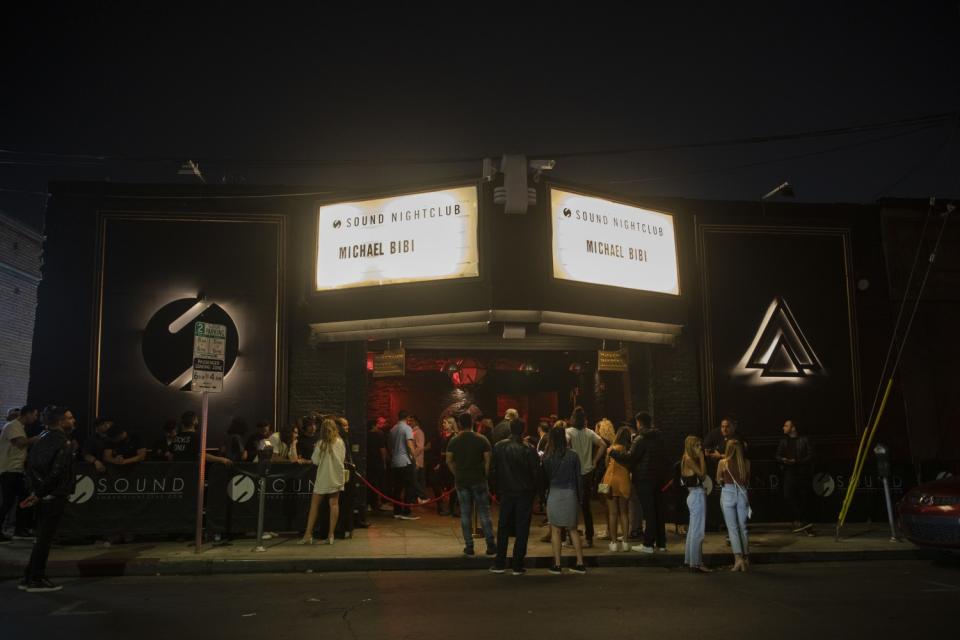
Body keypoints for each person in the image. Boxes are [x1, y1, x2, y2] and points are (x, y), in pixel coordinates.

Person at [19, 406, 77, 592]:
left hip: (42, 495)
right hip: (53, 496)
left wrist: (35, 492)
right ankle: (36, 578)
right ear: (60, 422)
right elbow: (57, 472)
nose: (73, 420)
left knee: (40, 538)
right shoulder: (64, 442)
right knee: (44, 539)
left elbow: (28, 467)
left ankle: (28, 576)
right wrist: (40, 493)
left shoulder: (40, 439)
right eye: (69, 417)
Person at [610, 411, 670, 553]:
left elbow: (630, 457)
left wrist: (612, 452)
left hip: (644, 479)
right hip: (658, 478)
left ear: (639, 423)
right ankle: (661, 543)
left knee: (649, 512)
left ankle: (648, 544)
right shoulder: (659, 437)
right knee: (658, 511)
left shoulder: (640, 439)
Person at [488, 419, 539, 574]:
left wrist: (495, 489)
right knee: (522, 527)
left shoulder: (499, 446)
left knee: (503, 526)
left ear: (510, 428)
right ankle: (517, 564)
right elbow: (535, 473)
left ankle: (500, 562)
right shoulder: (529, 449)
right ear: (523, 430)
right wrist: (537, 493)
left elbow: (493, 470)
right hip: (524, 492)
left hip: (506, 491)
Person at [445, 412, 496, 556]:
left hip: (462, 480)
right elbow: (487, 460)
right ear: (472, 422)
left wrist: (457, 473)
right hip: (478, 479)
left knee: (465, 515)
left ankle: (469, 546)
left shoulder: (454, 441)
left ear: (460, 424)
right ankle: (491, 545)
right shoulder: (482, 439)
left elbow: (448, 460)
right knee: (484, 513)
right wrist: (484, 474)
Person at [544, 425, 586, 574]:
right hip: (570, 493)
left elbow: (545, 479)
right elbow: (578, 479)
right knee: (572, 529)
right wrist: (580, 498)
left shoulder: (547, 456)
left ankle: (557, 564)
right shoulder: (573, 455)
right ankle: (580, 563)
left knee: (555, 530)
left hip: (554, 493)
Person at [299, 418, 346, 546]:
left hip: (323, 477)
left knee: (314, 506)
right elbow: (342, 458)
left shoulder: (320, 443)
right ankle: (331, 535)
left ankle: (308, 534)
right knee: (334, 505)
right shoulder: (340, 442)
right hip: (336, 476)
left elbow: (315, 460)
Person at [565, 406, 604, 548]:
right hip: (587, 472)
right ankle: (589, 538)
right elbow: (603, 445)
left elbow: (565, 441)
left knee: (572, 507)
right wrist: (595, 460)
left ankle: (571, 537)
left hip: (573, 473)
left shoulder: (568, 431)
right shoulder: (590, 433)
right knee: (586, 507)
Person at [0, 405, 40, 542]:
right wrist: (37, 439)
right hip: (9, 470)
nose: (36, 418)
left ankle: (20, 529)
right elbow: (20, 443)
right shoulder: (13, 426)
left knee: (23, 498)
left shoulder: (19, 427)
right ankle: (18, 529)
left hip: (16, 470)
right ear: (27, 414)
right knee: (8, 502)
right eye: (34, 415)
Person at [776, 419, 815, 534]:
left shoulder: (804, 440)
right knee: (788, 495)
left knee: (803, 498)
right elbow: (777, 455)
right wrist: (783, 459)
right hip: (789, 472)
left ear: (793, 428)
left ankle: (802, 522)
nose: (783, 427)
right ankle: (803, 522)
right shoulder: (783, 441)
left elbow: (811, 455)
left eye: (786, 425)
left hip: (802, 473)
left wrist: (797, 461)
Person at [717, 439, 751, 572]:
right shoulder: (747, 463)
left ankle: (738, 559)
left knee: (732, 528)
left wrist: (722, 480)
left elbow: (718, 479)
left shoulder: (723, 463)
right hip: (742, 493)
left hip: (728, 493)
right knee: (743, 527)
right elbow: (747, 481)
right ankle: (746, 558)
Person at [681, 435, 711, 572]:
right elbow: (703, 475)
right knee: (698, 532)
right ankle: (697, 563)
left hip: (693, 495)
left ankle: (690, 560)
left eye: (700, 445)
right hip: (697, 495)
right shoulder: (689, 459)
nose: (700, 447)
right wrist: (702, 457)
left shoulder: (685, 458)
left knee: (693, 530)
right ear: (691, 445)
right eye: (697, 445)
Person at [601, 426, 632, 552]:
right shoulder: (628, 450)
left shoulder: (611, 449)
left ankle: (613, 543)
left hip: (610, 480)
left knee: (612, 513)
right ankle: (625, 542)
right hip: (624, 480)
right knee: (624, 513)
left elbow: (606, 464)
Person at [388, 410, 419, 520]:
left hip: (395, 461)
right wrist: (414, 459)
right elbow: (410, 445)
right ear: (407, 418)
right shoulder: (407, 428)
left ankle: (396, 511)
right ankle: (406, 511)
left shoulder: (393, 429)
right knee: (409, 487)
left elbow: (390, 447)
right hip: (405, 461)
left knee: (397, 488)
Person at [410, 415, 429, 504]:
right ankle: (417, 498)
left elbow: (420, 447)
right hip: (417, 460)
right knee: (418, 480)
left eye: (412, 420)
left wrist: (413, 456)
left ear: (416, 422)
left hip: (416, 460)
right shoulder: (414, 432)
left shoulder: (418, 432)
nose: (410, 422)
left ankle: (422, 496)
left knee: (414, 480)